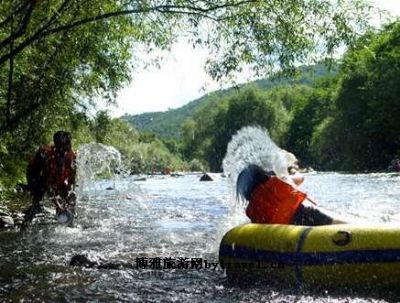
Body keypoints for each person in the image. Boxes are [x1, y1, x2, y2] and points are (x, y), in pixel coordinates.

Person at [236, 164, 345, 226]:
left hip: (284, 232)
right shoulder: (276, 182)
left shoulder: (252, 209)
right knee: (334, 223)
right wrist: (294, 171)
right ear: (263, 175)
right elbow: (300, 178)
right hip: (305, 216)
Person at [22, 131, 77, 229]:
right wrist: (58, 204)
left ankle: (67, 225)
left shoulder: (72, 156)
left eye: (66, 145)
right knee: (38, 199)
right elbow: (48, 183)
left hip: (55, 176)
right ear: (56, 144)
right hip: (36, 175)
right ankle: (25, 226)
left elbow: (72, 180)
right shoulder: (47, 155)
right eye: (60, 146)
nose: (63, 149)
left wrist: (69, 195)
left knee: (66, 198)